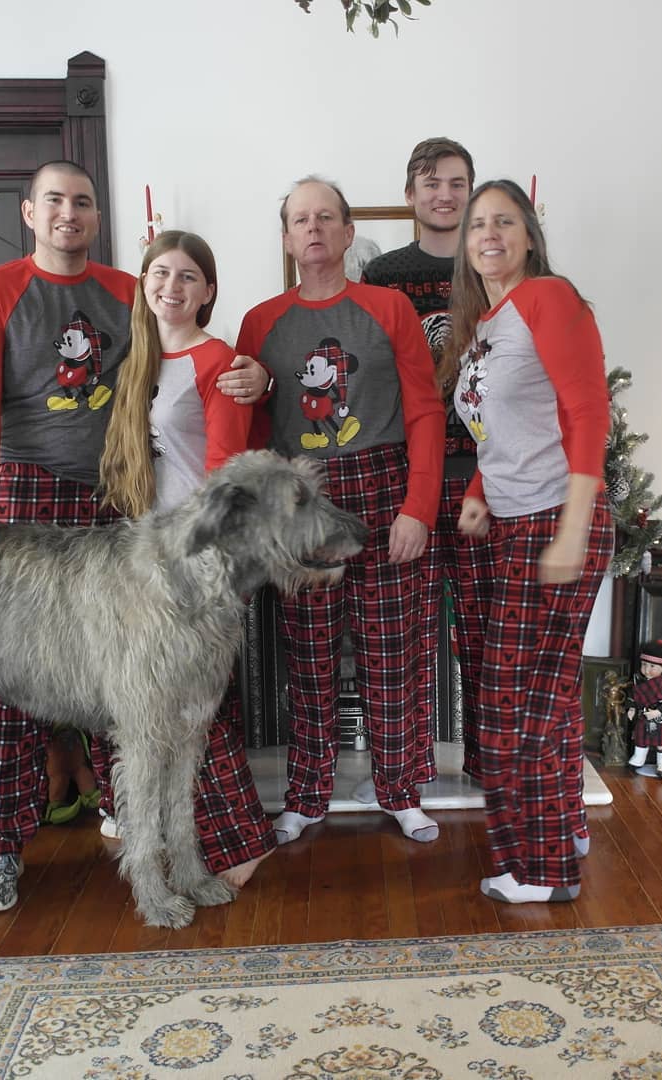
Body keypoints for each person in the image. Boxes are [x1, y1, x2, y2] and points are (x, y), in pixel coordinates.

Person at [0, 160, 138, 915]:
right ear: (28, 213)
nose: (69, 213)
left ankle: (130, 813)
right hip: (22, 500)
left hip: (115, 501)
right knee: (11, 685)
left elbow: (175, 366)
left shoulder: (127, 294)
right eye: (54, 201)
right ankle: (0, 848)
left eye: (82, 202)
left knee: (124, 666)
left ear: (96, 215)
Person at [235, 176, 446, 846]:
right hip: (304, 499)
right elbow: (251, 429)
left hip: (385, 490)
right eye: (301, 219)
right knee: (310, 653)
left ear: (348, 234)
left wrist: (418, 507)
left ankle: (401, 790)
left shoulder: (388, 308)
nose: (315, 228)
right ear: (288, 236)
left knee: (393, 653)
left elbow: (424, 410)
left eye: (327, 217)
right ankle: (306, 795)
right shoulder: (259, 321)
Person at [449, 178, 613, 904]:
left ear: (528, 234)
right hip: (515, 521)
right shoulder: (488, 323)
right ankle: (565, 827)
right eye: (478, 224)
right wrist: (480, 494)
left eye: (504, 221)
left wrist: (575, 526)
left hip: (557, 517)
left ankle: (542, 870)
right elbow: (501, 427)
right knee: (543, 691)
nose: (489, 234)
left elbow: (586, 411)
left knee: (520, 701)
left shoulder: (550, 298)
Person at [97, 230, 276, 887]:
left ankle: (242, 846)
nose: (171, 287)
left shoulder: (218, 363)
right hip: (140, 554)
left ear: (208, 291)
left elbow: (225, 480)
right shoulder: (136, 360)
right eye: (160, 274)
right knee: (152, 704)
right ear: (144, 283)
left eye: (187, 277)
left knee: (198, 708)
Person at [358, 136, 492, 793]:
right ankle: (403, 775)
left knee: (483, 631)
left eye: (457, 183)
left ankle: (487, 765)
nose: (444, 194)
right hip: (406, 480)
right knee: (404, 640)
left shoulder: (493, 268)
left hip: (480, 478)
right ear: (410, 193)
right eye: (430, 182)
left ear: (472, 192)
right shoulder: (382, 277)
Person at [626, 639, 662, 777]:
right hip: (643, 716)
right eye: (644, 664)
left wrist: (659, 711)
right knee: (641, 739)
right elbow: (632, 695)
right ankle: (638, 759)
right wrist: (632, 708)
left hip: (661, 719)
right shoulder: (637, 679)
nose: (646, 670)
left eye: (652, 666)